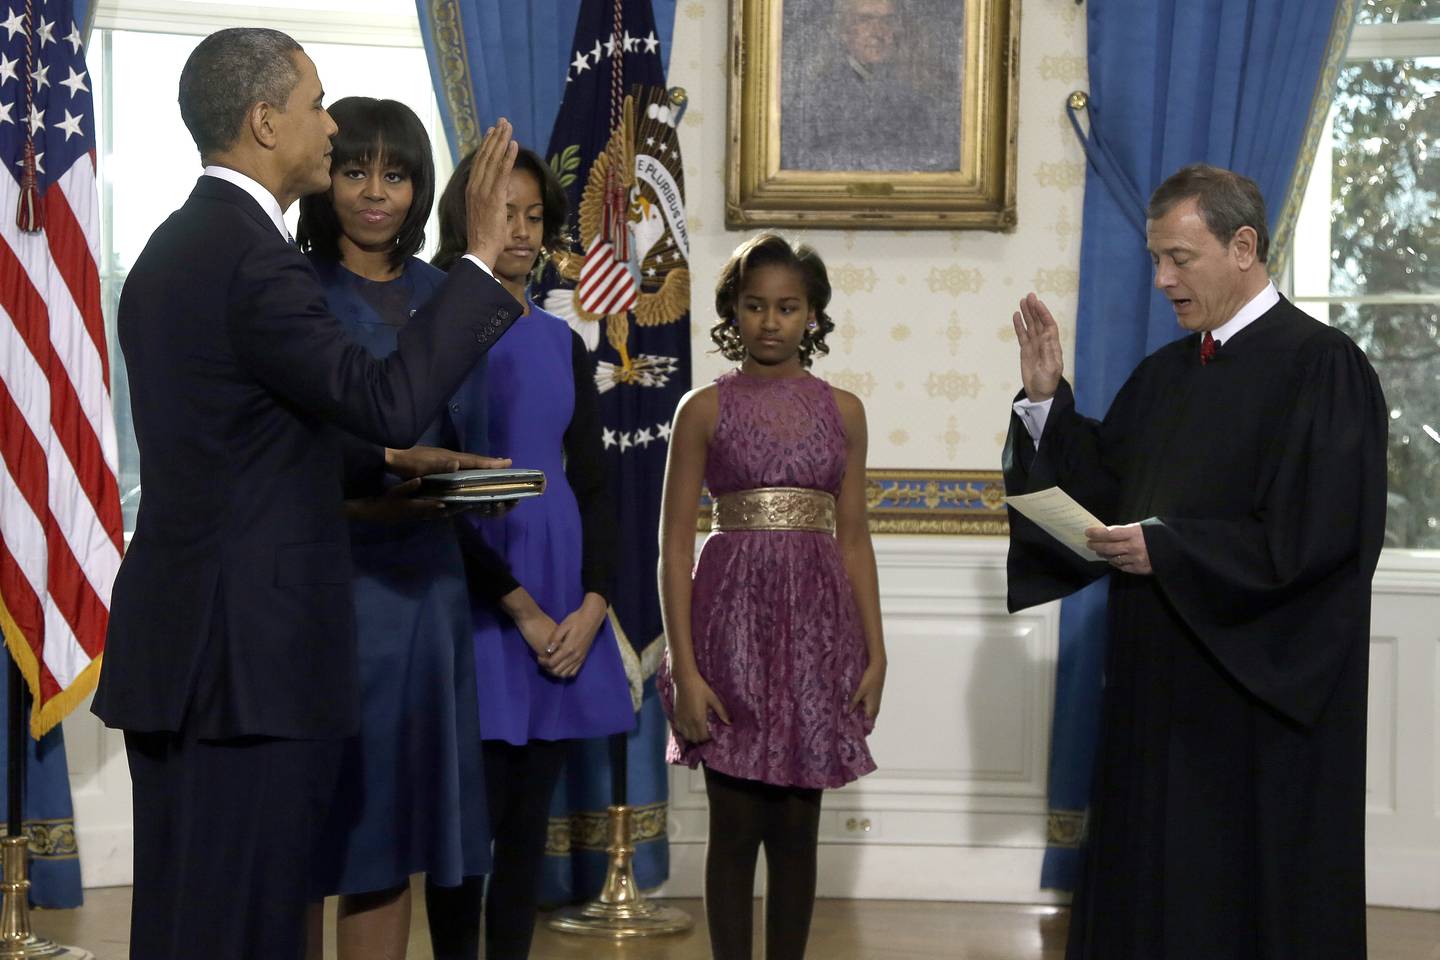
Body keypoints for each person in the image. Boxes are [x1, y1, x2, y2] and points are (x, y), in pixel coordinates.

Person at [91, 27, 521, 960]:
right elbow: (390, 399)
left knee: (187, 920)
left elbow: (236, 442)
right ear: (263, 120)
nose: (328, 126)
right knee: (246, 930)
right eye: (317, 103)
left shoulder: (180, 244)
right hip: (248, 663)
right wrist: (480, 260)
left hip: (190, 648)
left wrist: (393, 466)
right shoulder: (255, 258)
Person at [1004, 164, 1388, 960]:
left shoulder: (1323, 366)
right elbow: (1104, 486)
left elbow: (1321, 536)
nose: (1161, 280)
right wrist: (1046, 401)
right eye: (1155, 259)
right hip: (1157, 687)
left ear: (1243, 246)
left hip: (1253, 701)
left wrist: (1169, 549)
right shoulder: (1168, 373)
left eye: (1179, 258)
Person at [293, 95, 498, 960]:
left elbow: (472, 437)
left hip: (424, 589)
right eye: (353, 169)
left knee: (393, 838)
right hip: (321, 585)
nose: (375, 192)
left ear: (419, 188)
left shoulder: (452, 296)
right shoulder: (291, 287)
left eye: (397, 173)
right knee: (307, 831)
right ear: (325, 177)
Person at [423, 146, 636, 960]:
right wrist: (521, 609)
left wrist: (591, 605)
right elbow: (433, 492)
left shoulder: (562, 342)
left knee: (526, 830)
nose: (519, 229)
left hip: (564, 601)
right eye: (502, 212)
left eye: (533, 215)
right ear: (467, 219)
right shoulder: (433, 328)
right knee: (462, 832)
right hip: (474, 596)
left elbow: (594, 485)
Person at [657, 233, 886, 960]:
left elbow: (854, 539)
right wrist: (686, 671)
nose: (770, 322)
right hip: (728, 636)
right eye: (755, 305)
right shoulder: (703, 409)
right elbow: (673, 546)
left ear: (813, 315)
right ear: (733, 310)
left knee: (796, 831)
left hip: (819, 637)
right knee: (735, 830)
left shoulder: (843, 411)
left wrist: (876, 655)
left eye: (788, 307)